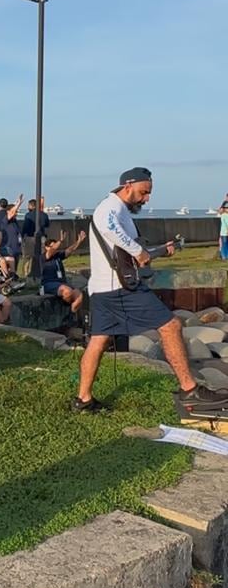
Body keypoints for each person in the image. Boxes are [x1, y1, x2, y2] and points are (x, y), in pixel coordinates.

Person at [74, 167, 228, 415]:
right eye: (144, 193)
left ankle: (83, 399)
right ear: (128, 186)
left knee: (98, 340)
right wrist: (137, 251)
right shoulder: (110, 207)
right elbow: (107, 227)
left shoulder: (118, 209)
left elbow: (126, 251)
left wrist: (156, 250)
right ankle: (189, 388)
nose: (146, 199)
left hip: (103, 289)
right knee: (171, 325)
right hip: (119, 289)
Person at [41, 230, 86, 313]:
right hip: (49, 283)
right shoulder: (44, 257)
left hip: (62, 282)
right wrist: (61, 240)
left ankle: (72, 314)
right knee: (67, 291)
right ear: (46, 248)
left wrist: (79, 241)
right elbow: (53, 249)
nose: (55, 248)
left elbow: (69, 250)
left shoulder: (58, 256)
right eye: (52, 246)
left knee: (79, 295)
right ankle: (66, 310)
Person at [20, 198, 50, 278]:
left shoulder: (28, 215)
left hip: (30, 237)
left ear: (31, 206)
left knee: (28, 257)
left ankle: (26, 275)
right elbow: (47, 225)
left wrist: (23, 237)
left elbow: (25, 227)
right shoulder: (44, 215)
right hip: (41, 237)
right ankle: (42, 273)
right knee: (42, 256)